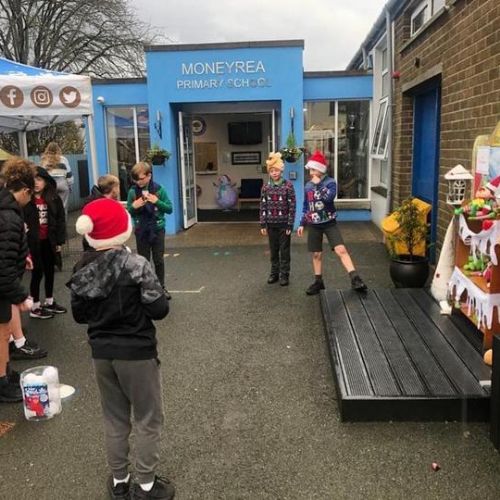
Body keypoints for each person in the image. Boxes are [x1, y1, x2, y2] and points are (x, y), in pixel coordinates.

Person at [68, 198, 174, 500]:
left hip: (101, 353)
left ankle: (119, 481)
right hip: (137, 352)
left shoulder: (82, 267)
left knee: (114, 418)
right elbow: (159, 309)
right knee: (148, 418)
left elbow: (79, 315)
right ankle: (146, 484)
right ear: (123, 229)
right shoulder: (136, 265)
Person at [297, 150, 368, 295]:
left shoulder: (330, 183)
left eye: (314, 169)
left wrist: (319, 186)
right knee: (316, 254)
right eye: (310, 170)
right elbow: (306, 205)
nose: (311, 173)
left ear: (321, 169)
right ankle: (318, 282)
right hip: (314, 224)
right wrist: (302, 223)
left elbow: (328, 199)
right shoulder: (308, 185)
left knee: (341, 249)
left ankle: (355, 279)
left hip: (329, 222)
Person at [0, 157, 36, 402]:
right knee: (2, 334)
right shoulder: (9, 217)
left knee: (3, 333)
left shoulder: (7, 210)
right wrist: (21, 296)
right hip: (3, 287)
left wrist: (22, 257)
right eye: (30, 195)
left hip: (4, 285)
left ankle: (5, 373)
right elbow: (2, 266)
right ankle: (1, 383)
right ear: (24, 190)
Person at [24, 167, 67, 319]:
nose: (36, 183)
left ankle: (49, 301)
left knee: (50, 271)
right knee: (37, 273)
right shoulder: (26, 200)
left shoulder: (53, 198)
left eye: (39, 179)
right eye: (33, 180)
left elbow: (60, 220)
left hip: (49, 241)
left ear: (46, 181)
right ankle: (35, 306)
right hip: (33, 243)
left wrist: (59, 241)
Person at [127, 162, 173, 299]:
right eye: (135, 179)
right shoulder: (132, 192)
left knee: (158, 260)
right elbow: (129, 212)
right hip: (141, 230)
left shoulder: (159, 189)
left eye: (141, 179)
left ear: (149, 176)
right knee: (143, 261)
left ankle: (161, 287)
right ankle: (146, 288)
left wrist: (157, 201)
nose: (138, 182)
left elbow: (169, 209)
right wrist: (133, 206)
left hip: (157, 229)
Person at [259, 152, 296, 286]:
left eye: (277, 170)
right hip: (271, 224)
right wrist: (263, 224)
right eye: (272, 171)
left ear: (281, 171)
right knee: (273, 250)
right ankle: (274, 273)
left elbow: (292, 205)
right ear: (269, 172)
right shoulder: (266, 187)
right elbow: (263, 205)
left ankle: (284, 274)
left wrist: (290, 224)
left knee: (284, 250)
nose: (274, 173)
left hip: (284, 224)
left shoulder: (288, 186)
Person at [82, 174, 120, 251]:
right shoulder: (99, 204)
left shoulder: (94, 200)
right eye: (118, 186)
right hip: (98, 246)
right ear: (114, 189)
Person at [40, 142, 74, 215]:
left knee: (50, 207)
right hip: (62, 184)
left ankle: (53, 221)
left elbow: (42, 175)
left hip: (50, 185)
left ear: (47, 149)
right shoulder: (63, 159)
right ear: (58, 149)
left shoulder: (44, 160)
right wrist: (70, 185)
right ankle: (62, 221)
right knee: (63, 207)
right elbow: (69, 175)